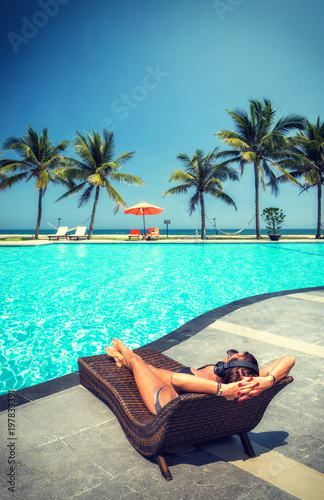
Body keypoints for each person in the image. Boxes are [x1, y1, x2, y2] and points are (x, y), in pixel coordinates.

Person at [105, 339, 295, 415]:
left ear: (222, 368)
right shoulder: (247, 383)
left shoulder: (228, 387)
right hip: (179, 388)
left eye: (231, 354)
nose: (229, 353)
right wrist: (269, 380)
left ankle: (124, 353)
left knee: (138, 363)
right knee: (150, 368)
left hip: (161, 397)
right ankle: (121, 359)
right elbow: (289, 359)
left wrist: (225, 390)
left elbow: (178, 380)